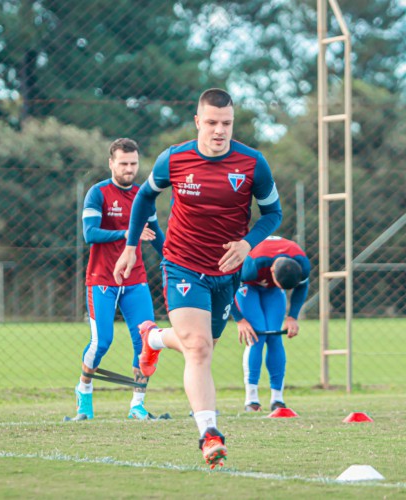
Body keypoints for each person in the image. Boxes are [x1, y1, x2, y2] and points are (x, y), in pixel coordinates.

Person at [113, 88, 282, 468]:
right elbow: (143, 199)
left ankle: (152, 337)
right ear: (197, 122)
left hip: (227, 272)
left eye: (226, 123)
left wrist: (248, 243)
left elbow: (274, 213)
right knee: (199, 348)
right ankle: (209, 433)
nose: (219, 131)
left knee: (203, 345)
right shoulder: (174, 158)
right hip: (183, 264)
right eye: (211, 123)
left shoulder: (253, 163)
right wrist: (129, 247)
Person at [70, 138, 164, 422]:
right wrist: (128, 234)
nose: (129, 169)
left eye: (133, 163)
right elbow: (91, 234)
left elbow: (159, 238)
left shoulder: (144, 195)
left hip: (135, 280)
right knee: (102, 343)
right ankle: (84, 389)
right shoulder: (97, 193)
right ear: (111, 163)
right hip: (101, 280)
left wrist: (175, 262)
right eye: (123, 163)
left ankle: (137, 405)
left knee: (147, 341)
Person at [232, 236, 311, 412]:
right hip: (247, 286)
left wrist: (292, 316)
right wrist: (239, 320)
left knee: (275, 337)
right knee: (257, 336)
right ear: (273, 270)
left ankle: (277, 399)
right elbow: (227, 287)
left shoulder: (302, 264)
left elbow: (302, 287)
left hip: (272, 291)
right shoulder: (254, 265)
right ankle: (251, 399)